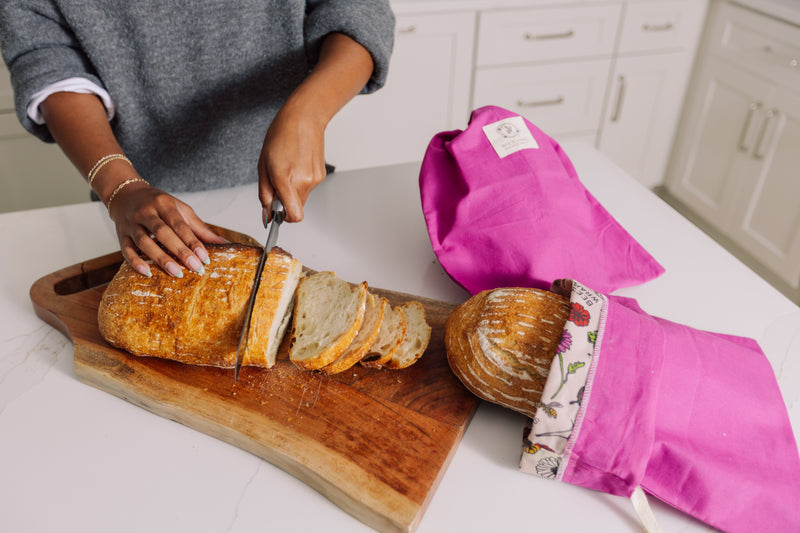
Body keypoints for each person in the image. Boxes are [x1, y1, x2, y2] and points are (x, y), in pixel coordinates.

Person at [0, 1, 394, 277]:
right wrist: (120, 186)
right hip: (135, 213)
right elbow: (44, 57)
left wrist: (308, 114)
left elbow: (359, 11)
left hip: (300, 197)